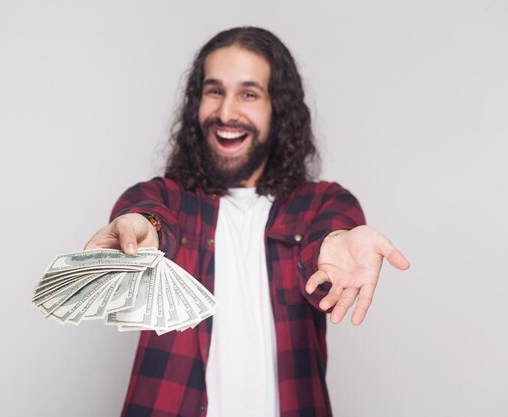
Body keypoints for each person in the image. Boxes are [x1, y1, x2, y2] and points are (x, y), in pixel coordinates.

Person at [85, 27, 409, 417]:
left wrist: (334, 241)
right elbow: (148, 212)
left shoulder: (321, 202)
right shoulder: (168, 197)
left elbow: (329, 234)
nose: (225, 113)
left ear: (278, 109)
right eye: (215, 91)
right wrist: (143, 225)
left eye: (249, 94)